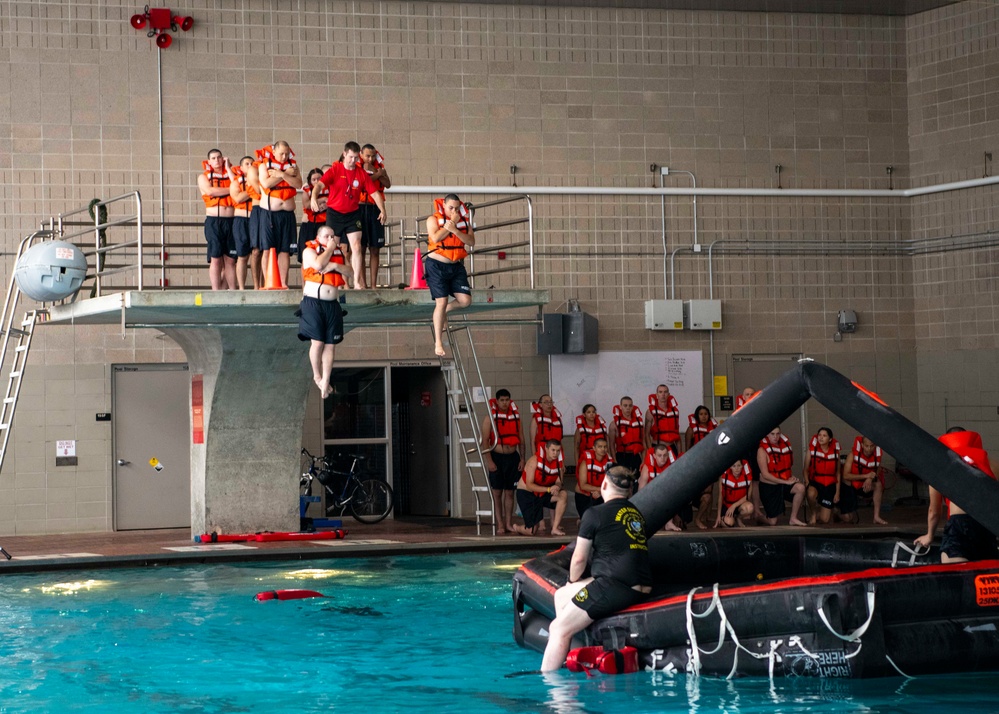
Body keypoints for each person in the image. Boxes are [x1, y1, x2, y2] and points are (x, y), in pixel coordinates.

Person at [540, 466, 652, 672]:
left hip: (615, 585)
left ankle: (554, 693)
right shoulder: (636, 513)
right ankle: (572, 652)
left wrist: (573, 581)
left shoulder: (594, 514)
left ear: (604, 485)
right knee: (562, 596)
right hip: (640, 584)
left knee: (557, 628)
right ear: (628, 491)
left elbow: (579, 559)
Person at [915, 429, 998, 562]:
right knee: (986, 579)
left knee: (957, 577)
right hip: (987, 525)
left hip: (960, 524)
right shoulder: (990, 462)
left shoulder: (940, 467)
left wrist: (930, 535)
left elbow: (934, 511)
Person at [315, 141, 387, 289]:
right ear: (344, 154)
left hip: (353, 214)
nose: (353, 161)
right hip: (334, 214)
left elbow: (375, 193)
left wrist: (383, 210)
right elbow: (319, 185)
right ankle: (330, 280)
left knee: (356, 246)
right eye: (350, 157)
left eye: (355, 158)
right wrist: (312, 198)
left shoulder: (361, 173)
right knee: (331, 246)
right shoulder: (335, 170)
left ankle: (356, 281)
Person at [297, 226, 353, 398]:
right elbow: (318, 264)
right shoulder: (309, 250)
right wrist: (329, 249)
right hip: (313, 302)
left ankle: (326, 380)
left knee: (331, 344)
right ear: (318, 237)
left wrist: (335, 265)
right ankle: (317, 375)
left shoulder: (338, 253)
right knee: (318, 342)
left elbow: (350, 272)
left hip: (332, 304)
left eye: (332, 236)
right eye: (326, 236)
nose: (330, 238)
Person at [425, 194, 474, 357]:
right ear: (444, 206)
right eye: (450, 208)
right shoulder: (433, 219)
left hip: (455, 266)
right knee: (441, 301)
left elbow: (471, 241)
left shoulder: (464, 221)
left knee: (465, 301)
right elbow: (435, 237)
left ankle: (444, 311)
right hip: (436, 265)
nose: (454, 211)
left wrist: (454, 229)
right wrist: (450, 225)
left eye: (456, 208)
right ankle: (438, 342)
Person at [257, 141, 303, 287]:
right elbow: (266, 184)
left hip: (287, 215)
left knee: (285, 249)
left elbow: (298, 184)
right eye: (281, 153)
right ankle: (268, 282)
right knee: (268, 249)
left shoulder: (293, 167)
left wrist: (282, 174)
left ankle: (283, 283)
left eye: (287, 154)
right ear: (274, 152)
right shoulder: (264, 165)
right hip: (269, 214)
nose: (284, 157)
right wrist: (284, 175)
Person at [481, 389, 524, 535]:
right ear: (497, 401)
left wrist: (522, 459)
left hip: (512, 458)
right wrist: (489, 462)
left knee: (510, 493)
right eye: (502, 400)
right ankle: (500, 524)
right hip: (497, 457)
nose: (505, 403)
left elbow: (522, 440)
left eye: (507, 400)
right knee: (497, 493)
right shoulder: (490, 417)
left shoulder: (516, 417)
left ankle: (508, 523)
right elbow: (485, 442)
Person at [197, 149, 236, 290]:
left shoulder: (231, 174)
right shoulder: (204, 177)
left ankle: (232, 290)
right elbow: (211, 191)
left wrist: (228, 168)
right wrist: (231, 190)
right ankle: (215, 291)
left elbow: (238, 186)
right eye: (213, 158)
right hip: (214, 221)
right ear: (209, 161)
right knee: (216, 258)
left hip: (231, 221)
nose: (217, 160)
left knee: (231, 260)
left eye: (219, 157)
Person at [514, 440, 568, 537]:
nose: (555, 453)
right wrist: (548, 489)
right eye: (553, 450)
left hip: (543, 492)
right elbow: (529, 485)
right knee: (531, 531)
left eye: (558, 451)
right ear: (546, 449)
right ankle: (517, 527)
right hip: (527, 493)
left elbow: (559, 481)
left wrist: (557, 487)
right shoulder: (533, 461)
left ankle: (555, 528)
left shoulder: (559, 463)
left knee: (563, 495)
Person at [757, 426, 807, 526]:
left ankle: (793, 518)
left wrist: (790, 478)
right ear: (767, 435)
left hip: (783, 483)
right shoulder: (762, 450)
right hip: (769, 487)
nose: (775, 436)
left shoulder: (785, 446)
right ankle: (759, 518)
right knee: (772, 522)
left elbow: (785, 467)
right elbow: (765, 475)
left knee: (800, 488)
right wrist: (786, 482)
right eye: (772, 434)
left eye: (778, 434)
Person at [358, 145, 391, 287]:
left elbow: (387, 184)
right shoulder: (357, 166)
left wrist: (377, 172)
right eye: (367, 156)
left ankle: (373, 284)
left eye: (372, 156)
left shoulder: (380, 166)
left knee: (375, 248)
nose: (370, 159)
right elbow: (364, 182)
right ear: (361, 154)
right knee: (361, 247)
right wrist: (378, 174)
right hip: (359, 207)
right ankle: (363, 284)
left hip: (375, 207)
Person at [841, 436, 889, 526]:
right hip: (850, 486)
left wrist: (870, 478)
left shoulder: (876, 456)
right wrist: (866, 476)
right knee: (848, 519)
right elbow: (845, 475)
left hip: (864, 485)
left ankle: (876, 517)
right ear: (862, 445)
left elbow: (878, 469)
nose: (869, 449)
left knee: (878, 484)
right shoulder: (852, 455)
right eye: (867, 446)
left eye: (872, 446)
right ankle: (837, 512)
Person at [684, 405, 718, 529]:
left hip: (711, 463)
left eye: (706, 414)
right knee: (701, 490)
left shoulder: (714, 429)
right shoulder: (691, 429)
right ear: (697, 416)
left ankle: (707, 516)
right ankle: (698, 516)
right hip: (696, 465)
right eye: (701, 414)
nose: (704, 416)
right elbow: (687, 449)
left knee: (710, 489)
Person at [638, 442, 682, 530]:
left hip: (664, 493)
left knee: (672, 495)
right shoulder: (647, 468)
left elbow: (675, 485)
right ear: (654, 456)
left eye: (665, 455)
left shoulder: (671, 466)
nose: (663, 458)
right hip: (649, 494)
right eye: (659, 455)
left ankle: (669, 523)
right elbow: (641, 492)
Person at [803, 427, 842, 525]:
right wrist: (807, 482)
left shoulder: (835, 453)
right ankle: (813, 514)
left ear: (830, 439)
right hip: (815, 481)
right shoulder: (811, 451)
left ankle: (828, 512)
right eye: (819, 435)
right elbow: (805, 469)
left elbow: (838, 473)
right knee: (811, 493)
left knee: (825, 520)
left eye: (824, 436)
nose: (821, 438)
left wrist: (837, 492)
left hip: (829, 485)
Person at [227, 155, 256, 290]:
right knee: (242, 256)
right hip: (241, 221)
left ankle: (258, 286)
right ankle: (242, 288)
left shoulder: (259, 181)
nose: (250, 166)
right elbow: (238, 198)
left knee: (257, 253)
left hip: (255, 219)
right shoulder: (236, 183)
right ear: (241, 167)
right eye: (247, 164)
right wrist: (251, 189)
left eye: (252, 163)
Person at [575, 437, 610, 519]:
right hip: (584, 495)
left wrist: (600, 492)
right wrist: (598, 490)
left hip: (600, 494)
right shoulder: (585, 462)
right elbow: (583, 485)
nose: (603, 449)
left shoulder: (609, 462)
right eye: (600, 447)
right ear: (594, 448)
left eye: (605, 447)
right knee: (587, 520)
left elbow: (610, 483)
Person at [299, 168, 328, 265]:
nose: (316, 181)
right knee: (307, 254)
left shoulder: (329, 188)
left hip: (325, 224)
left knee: (324, 254)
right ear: (310, 180)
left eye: (319, 178)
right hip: (311, 225)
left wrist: (327, 204)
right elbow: (306, 204)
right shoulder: (307, 190)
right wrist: (322, 199)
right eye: (314, 179)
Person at [609, 396, 644, 475]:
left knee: (637, 481)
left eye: (630, 405)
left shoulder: (639, 423)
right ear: (620, 407)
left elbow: (643, 443)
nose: (628, 408)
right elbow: (611, 445)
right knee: (623, 482)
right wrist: (615, 461)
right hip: (622, 456)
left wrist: (644, 461)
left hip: (635, 456)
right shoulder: (613, 424)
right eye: (625, 405)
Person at [716, 459, 755, 527]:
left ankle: (738, 518)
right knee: (729, 523)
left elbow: (748, 496)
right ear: (730, 467)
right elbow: (720, 497)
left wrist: (734, 506)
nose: (736, 468)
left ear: (742, 466)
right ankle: (728, 518)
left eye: (739, 466)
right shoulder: (723, 476)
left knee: (750, 507)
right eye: (734, 466)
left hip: (739, 505)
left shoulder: (747, 476)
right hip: (727, 505)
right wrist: (718, 516)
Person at [645, 384, 681, 456]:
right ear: (657, 395)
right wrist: (650, 451)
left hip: (672, 447)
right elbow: (646, 434)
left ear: (668, 394)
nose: (663, 394)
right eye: (660, 392)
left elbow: (677, 434)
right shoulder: (650, 412)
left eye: (665, 392)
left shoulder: (675, 412)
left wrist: (680, 453)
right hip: (657, 446)